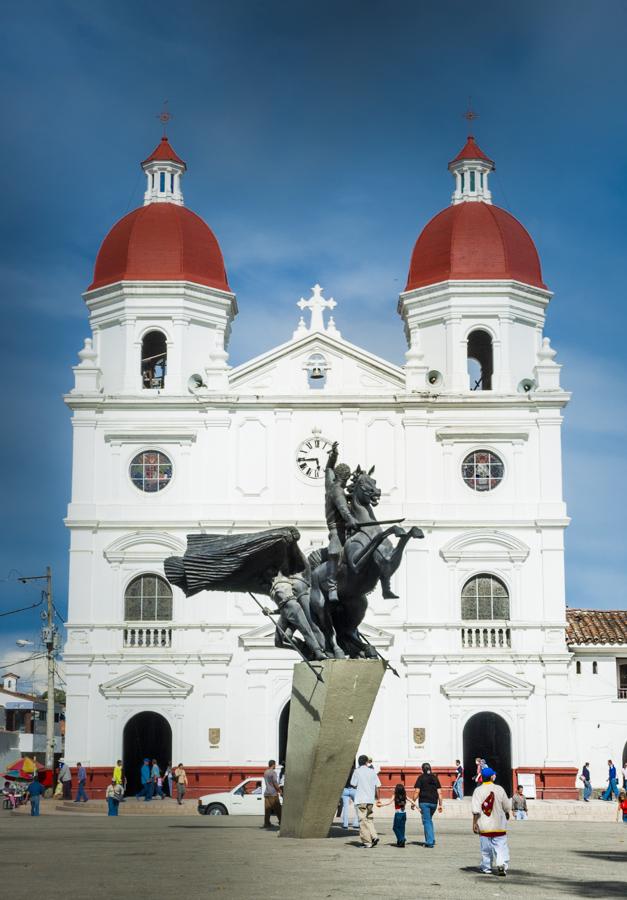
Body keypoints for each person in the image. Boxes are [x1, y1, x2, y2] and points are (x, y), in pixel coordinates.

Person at [324, 442, 357, 602]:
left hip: (344, 528)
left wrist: (333, 456)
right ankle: (332, 588)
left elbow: (328, 469)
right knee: (335, 553)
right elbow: (343, 510)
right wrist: (352, 521)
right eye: (348, 479)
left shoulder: (330, 483)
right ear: (344, 478)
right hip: (337, 529)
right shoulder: (337, 491)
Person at [471, 767, 511, 876]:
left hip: (484, 826)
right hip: (499, 825)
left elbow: (476, 810)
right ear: (492, 776)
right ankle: (501, 864)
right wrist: (507, 813)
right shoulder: (499, 789)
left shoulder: (478, 791)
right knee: (501, 847)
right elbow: (507, 806)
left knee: (486, 849)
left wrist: (474, 823)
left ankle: (486, 867)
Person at [350, 754, 380, 848]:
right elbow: (377, 785)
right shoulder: (372, 771)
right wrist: (378, 798)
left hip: (361, 799)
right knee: (369, 819)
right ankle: (374, 836)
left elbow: (353, 784)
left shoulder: (357, 771)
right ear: (367, 762)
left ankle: (367, 842)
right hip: (370, 799)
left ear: (359, 762)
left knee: (362, 821)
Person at [412, 762, 442, 848]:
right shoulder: (435, 778)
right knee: (429, 820)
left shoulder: (421, 778)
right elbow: (440, 793)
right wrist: (440, 804)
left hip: (424, 802)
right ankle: (431, 839)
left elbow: (417, 791)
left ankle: (429, 842)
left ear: (422, 769)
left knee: (427, 821)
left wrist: (413, 802)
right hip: (434, 803)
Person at [377, 783, 409, 847]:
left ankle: (402, 839)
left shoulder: (395, 795)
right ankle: (400, 842)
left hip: (398, 815)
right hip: (404, 814)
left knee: (395, 828)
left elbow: (388, 803)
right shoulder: (404, 795)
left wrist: (381, 805)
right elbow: (411, 801)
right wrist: (417, 807)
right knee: (402, 828)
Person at [262, 759, 282, 828]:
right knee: (278, 809)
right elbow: (275, 783)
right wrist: (279, 790)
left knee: (267, 809)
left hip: (267, 793)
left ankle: (266, 823)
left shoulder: (265, 772)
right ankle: (282, 822)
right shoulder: (273, 773)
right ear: (273, 765)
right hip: (273, 793)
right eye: (275, 764)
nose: (275, 766)